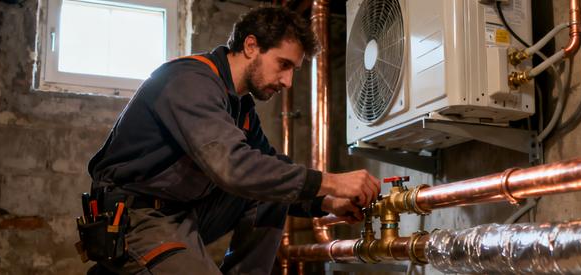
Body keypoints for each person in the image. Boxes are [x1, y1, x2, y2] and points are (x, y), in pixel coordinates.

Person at [85, 6, 380, 274]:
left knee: (271, 190)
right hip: (135, 217)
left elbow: (270, 168)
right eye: (283, 64)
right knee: (257, 178)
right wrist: (333, 181)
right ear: (251, 46)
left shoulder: (239, 106)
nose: (288, 82)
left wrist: (326, 202)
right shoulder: (190, 81)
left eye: (294, 70)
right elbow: (234, 167)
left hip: (182, 212)